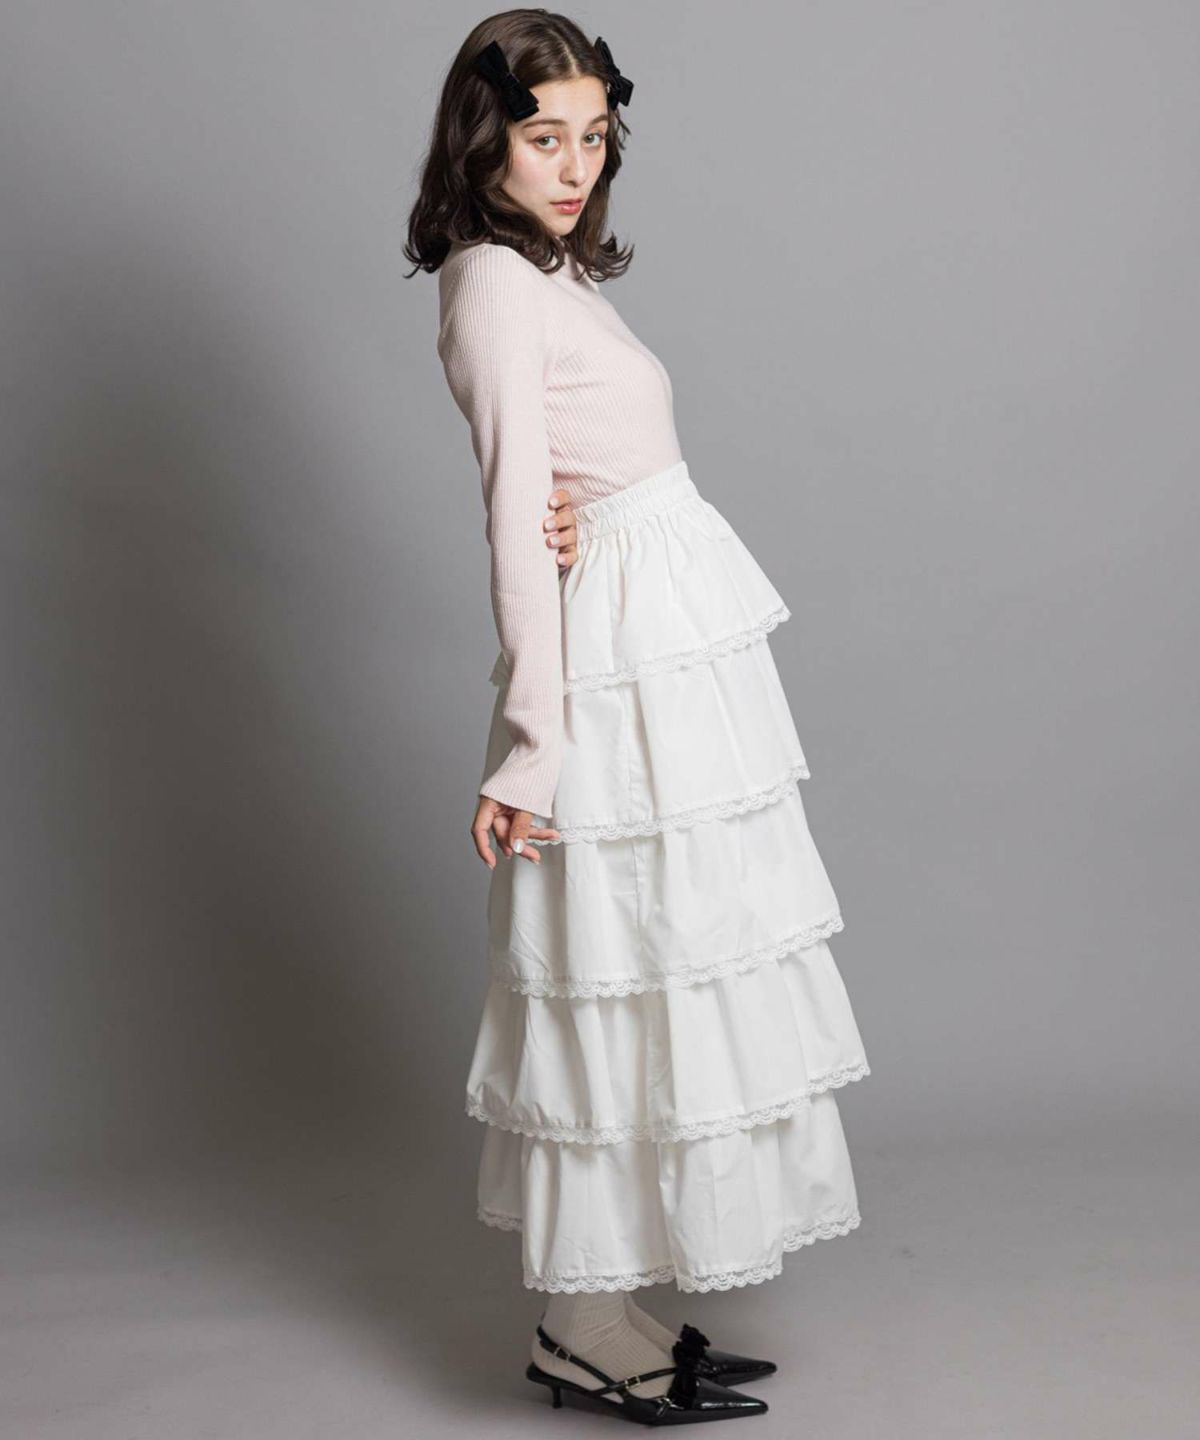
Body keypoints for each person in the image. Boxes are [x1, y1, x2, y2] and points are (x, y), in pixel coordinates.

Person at [405, 11, 871, 1425]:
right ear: (484, 140)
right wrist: (533, 743)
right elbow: (513, 512)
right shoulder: (491, 281)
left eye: (594, 137)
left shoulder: (549, 272)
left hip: (659, 642)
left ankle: (604, 1304)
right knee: (608, 960)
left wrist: (581, 509)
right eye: (544, 136)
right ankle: (577, 1324)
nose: (575, 166)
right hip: (611, 665)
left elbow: (579, 466)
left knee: (665, 950)